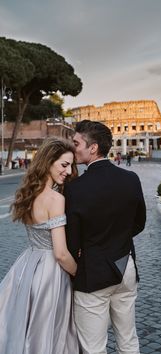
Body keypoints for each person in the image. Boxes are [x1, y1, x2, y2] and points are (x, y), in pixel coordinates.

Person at [64, 120, 146, 354]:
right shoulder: (131, 179)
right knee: (128, 339)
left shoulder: (75, 188)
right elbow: (139, 223)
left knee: (93, 348)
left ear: (93, 147)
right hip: (126, 266)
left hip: (93, 274)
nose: (73, 147)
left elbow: (72, 242)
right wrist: (116, 240)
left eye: (77, 142)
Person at [0, 137, 81, 354]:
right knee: (48, 333)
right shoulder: (55, 199)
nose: (68, 171)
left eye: (71, 165)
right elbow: (61, 253)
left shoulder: (28, 193)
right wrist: (80, 274)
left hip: (27, 267)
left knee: (27, 329)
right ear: (48, 162)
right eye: (64, 165)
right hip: (50, 273)